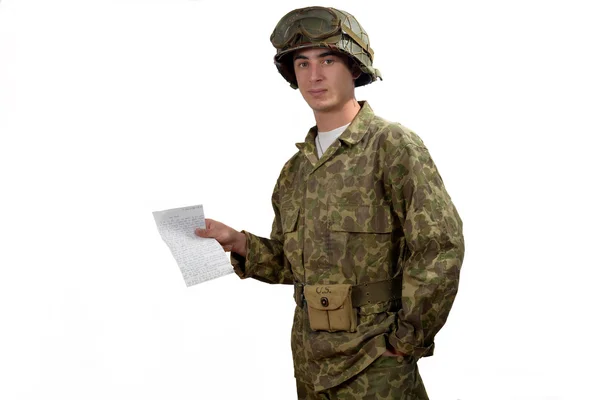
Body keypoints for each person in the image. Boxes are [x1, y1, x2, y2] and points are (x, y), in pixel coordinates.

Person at [195, 6, 464, 399]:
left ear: (353, 67)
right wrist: (238, 242)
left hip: (376, 362)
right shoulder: (296, 171)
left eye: (328, 60)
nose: (314, 75)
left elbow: (440, 247)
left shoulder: (391, 146)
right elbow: (291, 265)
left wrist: (407, 340)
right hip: (310, 362)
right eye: (302, 64)